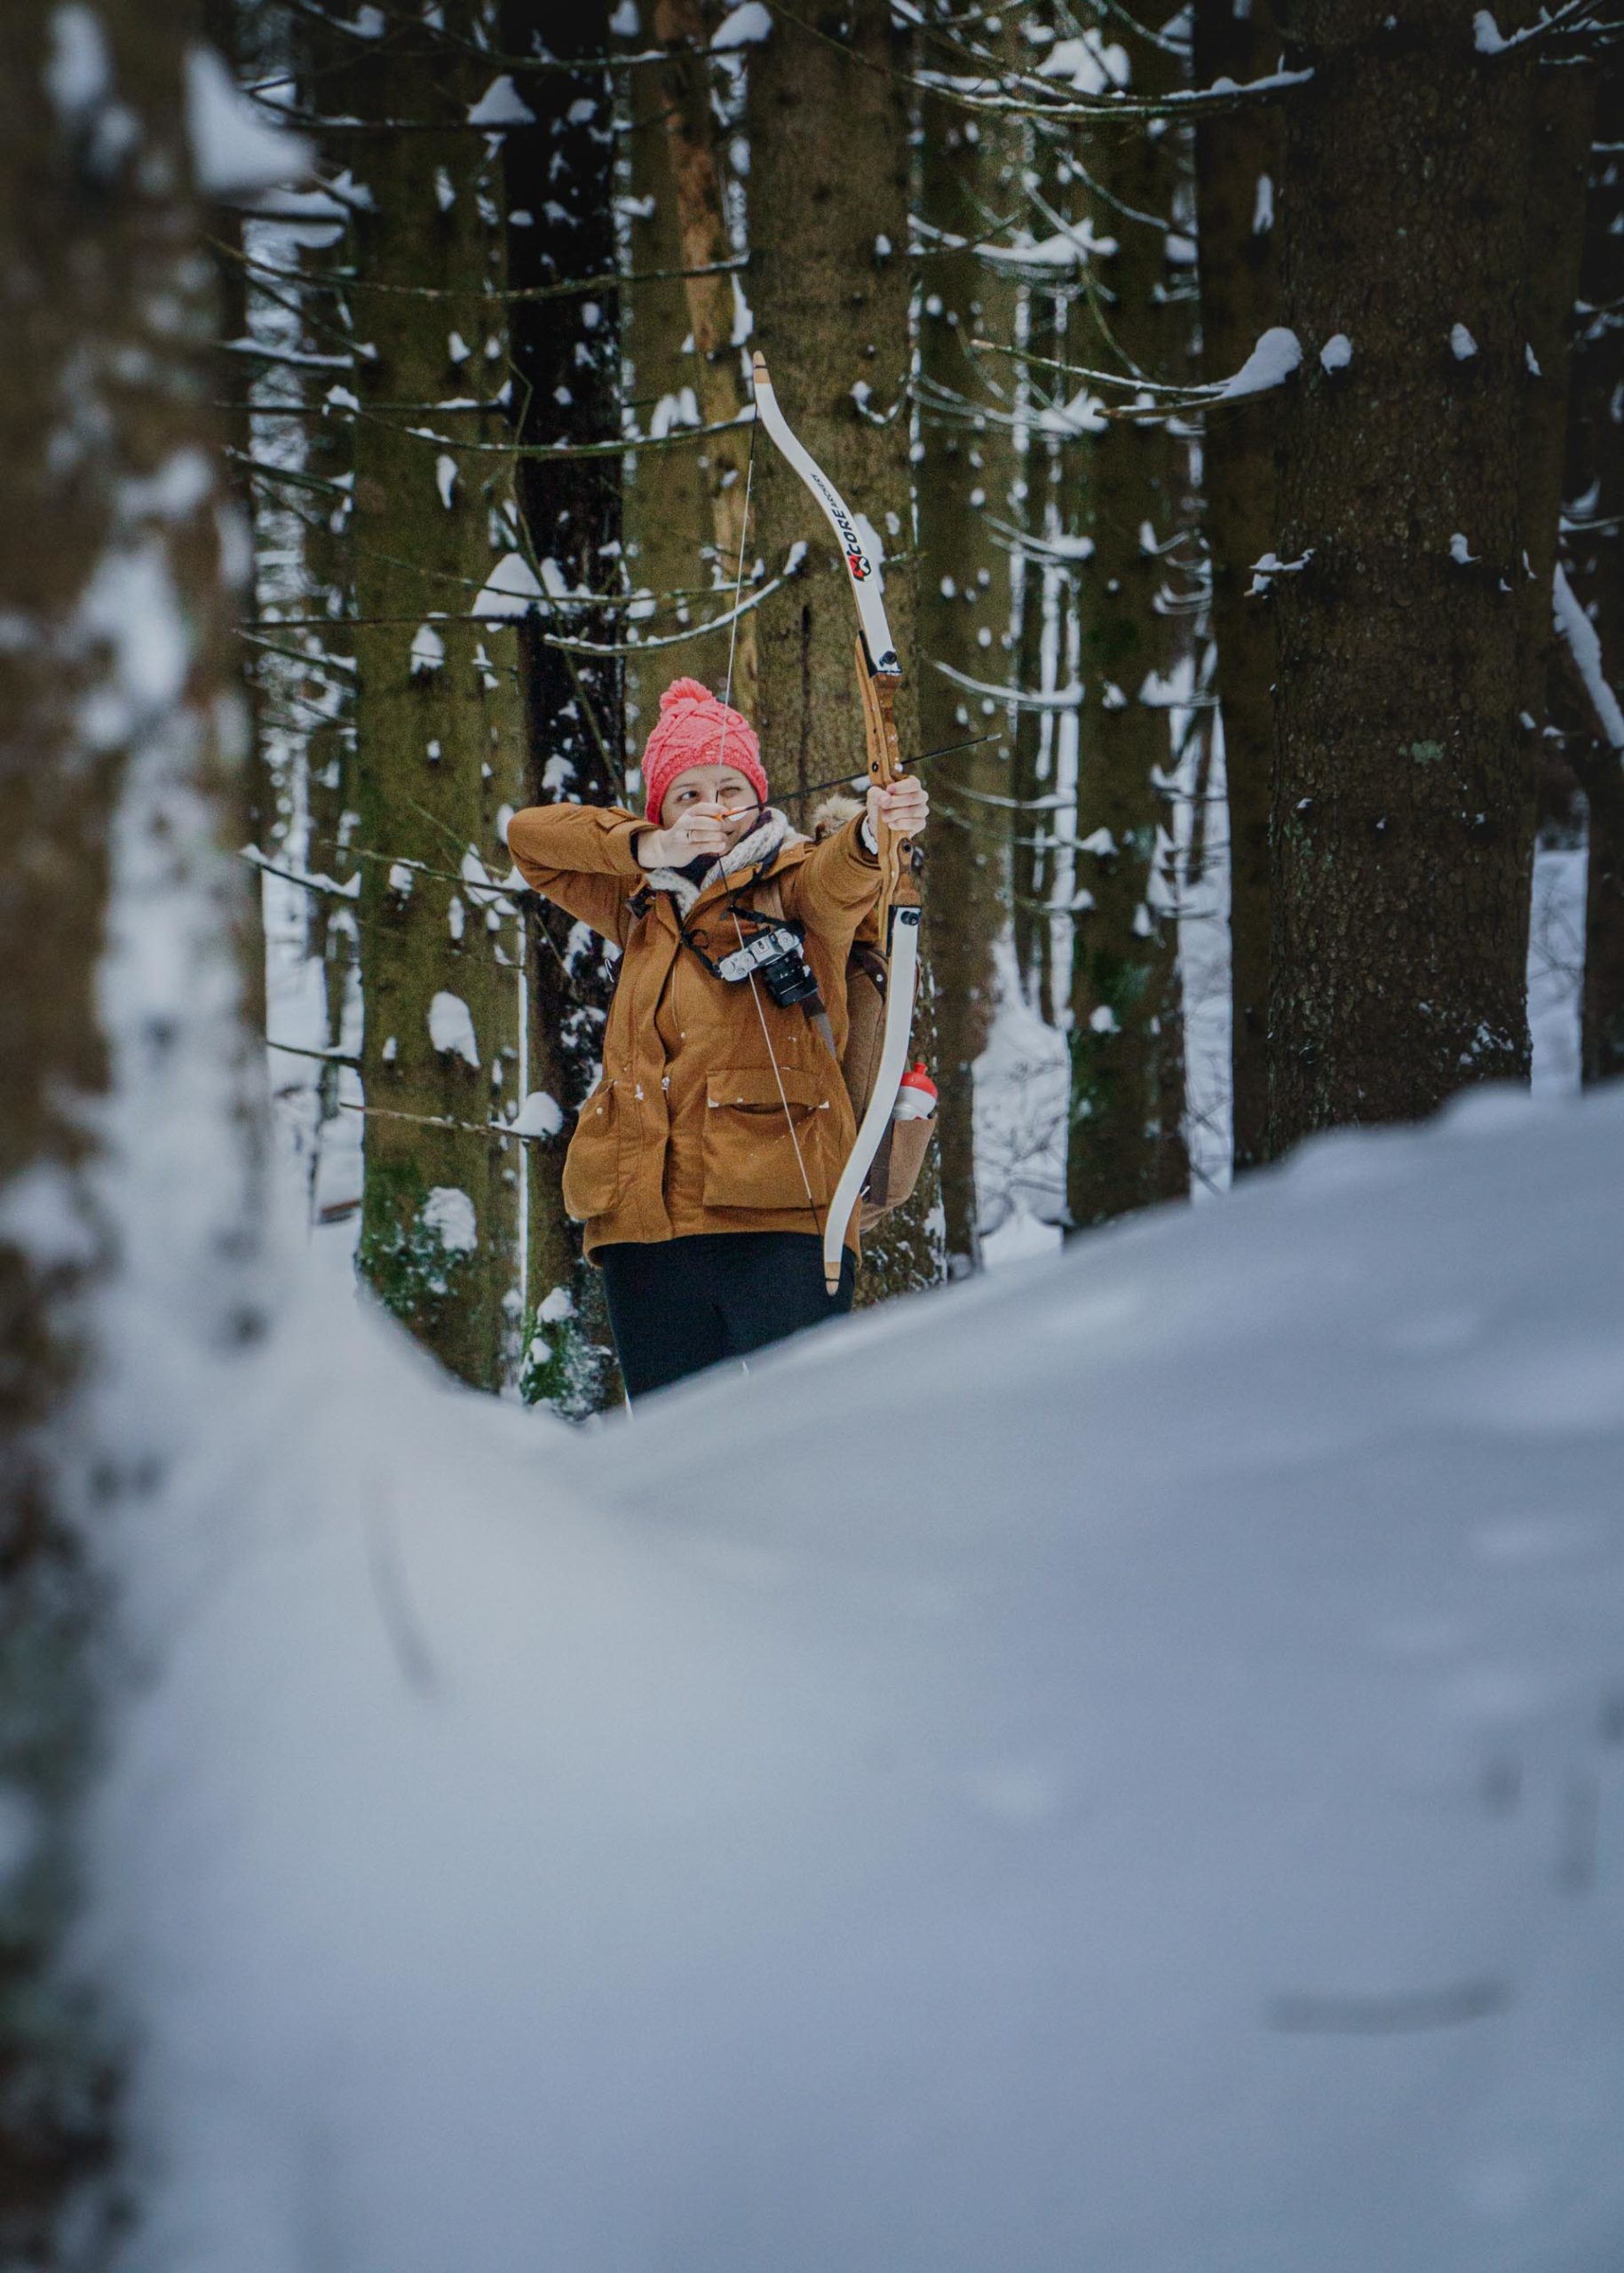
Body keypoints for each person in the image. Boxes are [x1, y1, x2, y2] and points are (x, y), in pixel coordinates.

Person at [505, 675, 929, 1402]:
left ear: (758, 798)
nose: (711, 808)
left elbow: (844, 875)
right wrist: (648, 846)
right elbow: (529, 839)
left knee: (799, 1440)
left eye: (728, 788)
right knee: (678, 1456)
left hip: (781, 1224)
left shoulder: (796, 883)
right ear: (661, 810)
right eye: (687, 793)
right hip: (644, 1231)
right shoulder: (640, 900)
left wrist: (874, 830)